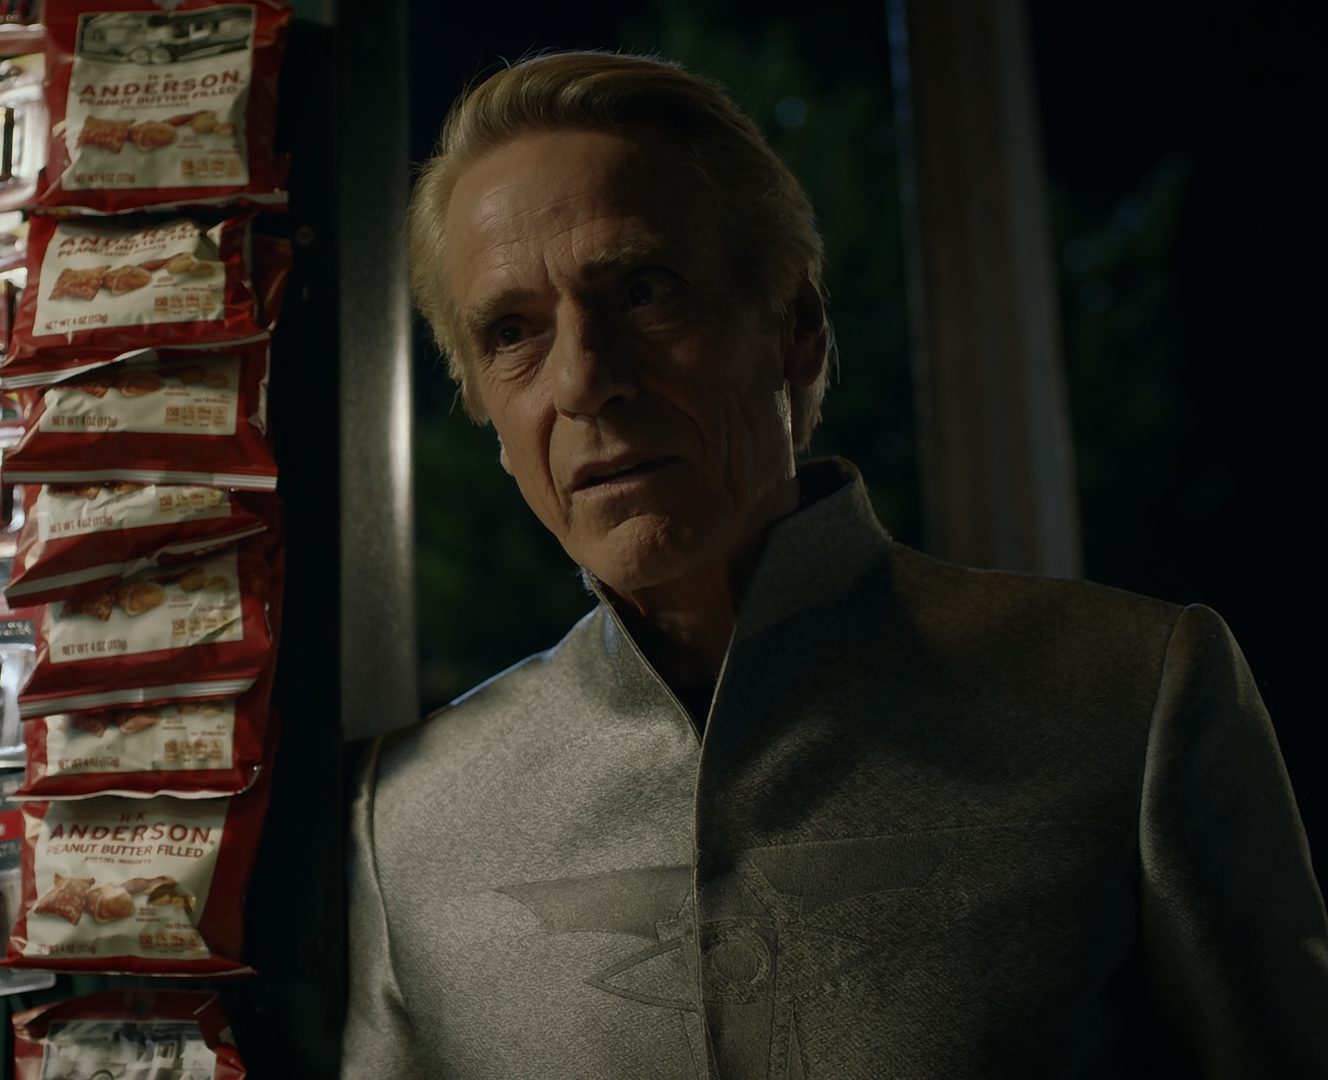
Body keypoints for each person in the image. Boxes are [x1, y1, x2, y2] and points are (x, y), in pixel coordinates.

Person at [343, 52, 1328, 1077]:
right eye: (512, 333)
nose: (584, 380)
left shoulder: (1131, 695)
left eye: (643, 290)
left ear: (796, 329)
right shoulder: (404, 816)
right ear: (488, 416)